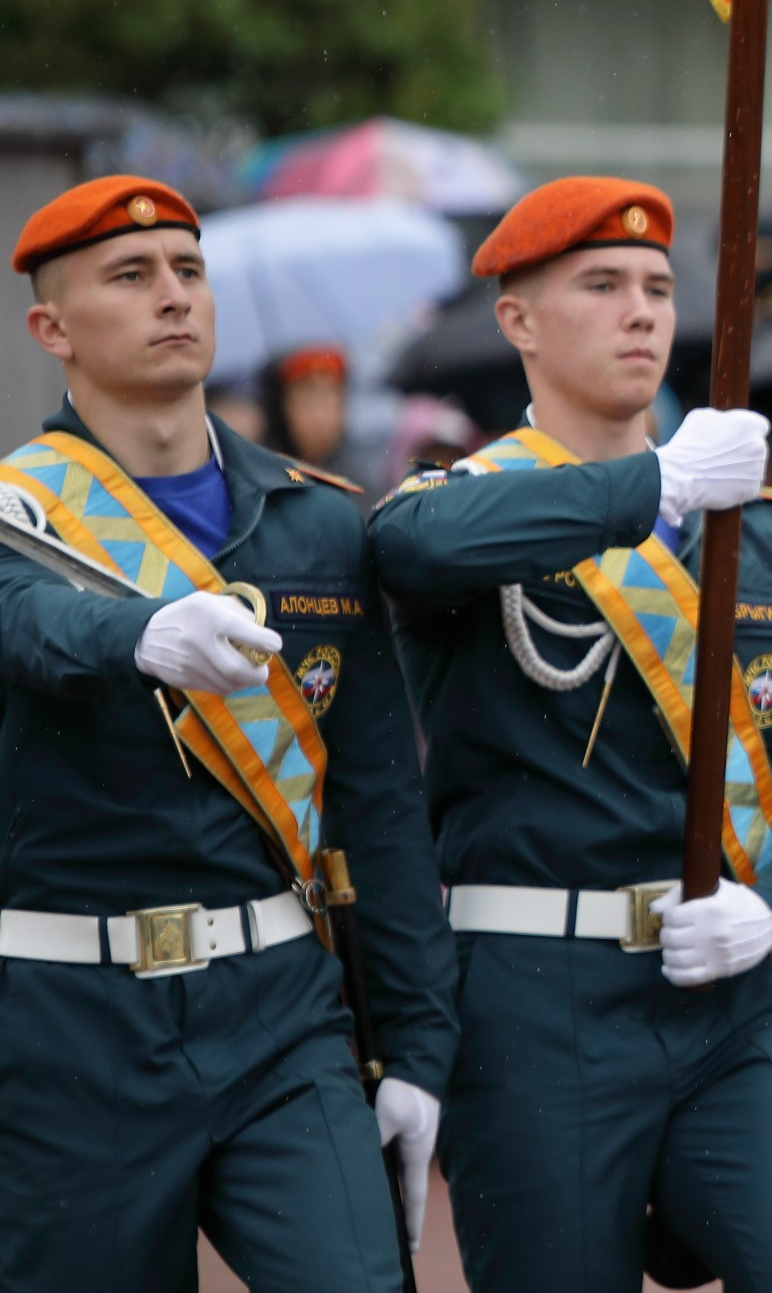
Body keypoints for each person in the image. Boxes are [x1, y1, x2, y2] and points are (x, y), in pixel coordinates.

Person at [368, 176, 772, 1293]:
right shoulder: (468, 505)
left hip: (728, 991)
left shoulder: (760, 537)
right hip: (537, 1003)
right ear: (518, 320)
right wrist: (654, 484)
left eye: (658, 286)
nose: (642, 309)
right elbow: (409, 547)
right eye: (601, 284)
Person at [0, 175, 455, 1290]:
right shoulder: (14, 514)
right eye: (131, 274)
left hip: (281, 1010)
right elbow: (30, 619)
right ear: (50, 328)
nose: (173, 295)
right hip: (70, 1027)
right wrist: (136, 633)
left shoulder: (317, 516)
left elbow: (381, 800)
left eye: (189, 270)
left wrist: (417, 1044)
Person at [264, 343, 351, 469]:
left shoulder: (360, 478)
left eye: (327, 402)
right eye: (306, 403)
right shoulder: (265, 472)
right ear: (283, 407)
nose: (319, 418)